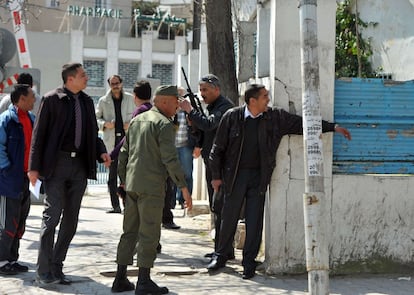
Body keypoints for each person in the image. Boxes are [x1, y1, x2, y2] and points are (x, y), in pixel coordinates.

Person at [207, 84, 352, 279]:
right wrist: (216, 177)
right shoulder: (232, 117)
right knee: (229, 216)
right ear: (252, 101)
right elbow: (217, 149)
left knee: (254, 220)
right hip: (234, 177)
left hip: (259, 178)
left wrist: (332, 127)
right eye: (264, 96)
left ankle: (248, 263)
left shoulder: (274, 118)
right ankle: (220, 256)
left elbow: (303, 124)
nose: (268, 99)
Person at [27, 63, 111, 286]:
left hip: (80, 166)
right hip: (57, 165)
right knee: (52, 216)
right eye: (83, 75)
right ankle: (43, 271)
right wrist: (33, 168)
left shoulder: (85, 101)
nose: (87, 78)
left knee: (71, 219)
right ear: (70, 79)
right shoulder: (52, 99)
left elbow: (93, 132)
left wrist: (101, 151)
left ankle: (57, 266)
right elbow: (39, 136)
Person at [112, 85, 192, 294]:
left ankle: (120, 279)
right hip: (151, 186)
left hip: (132, 185)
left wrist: (123, 180)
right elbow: (170, 159)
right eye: (176, 102)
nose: (177, 106)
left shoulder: (138, 120)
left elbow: (123, 154)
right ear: (164, 101)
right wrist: (183, 187)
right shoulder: (164, 124)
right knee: (149, 232)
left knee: (129, 231)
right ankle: (144, 281)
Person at [179, 74, 234, 259]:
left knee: (221, 207)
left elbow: (211, 125)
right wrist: (193, 123)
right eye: (201, 90)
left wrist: (190, 111)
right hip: (212, 162)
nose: (202, 94)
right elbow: (203, 134)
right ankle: (221, 249)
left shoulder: (224, 107)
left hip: (223, 165)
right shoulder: (211, 107)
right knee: (216, 207)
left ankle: (224, 251)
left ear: (216, 90)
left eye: (205, 90)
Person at [0, 84, 35, 275]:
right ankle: (1, 261)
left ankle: (12, 259)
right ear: (21, 99)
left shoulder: (31, 118)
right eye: (31, 97)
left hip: (24, 179)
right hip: (8, 181)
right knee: (7, 222)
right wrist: (6, 169)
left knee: (20, 222)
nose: (34, 100)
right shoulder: (6, 120)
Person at [96, 75, 135, 214]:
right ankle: (115, 206)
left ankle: (127, 204)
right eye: (112, 84)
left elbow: (137, 116)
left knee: (126, 175)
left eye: (117, 83)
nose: (115, 86)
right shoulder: (103, 101)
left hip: (127, 140)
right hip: (111, 142)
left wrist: (130, 124)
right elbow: (96, 118)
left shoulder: (130, 99)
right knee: (112, 176)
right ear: (109, 85)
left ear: (122, 83)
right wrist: (105, 124)